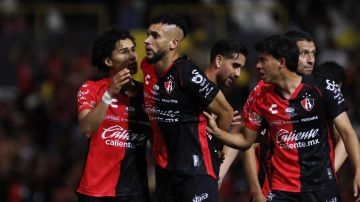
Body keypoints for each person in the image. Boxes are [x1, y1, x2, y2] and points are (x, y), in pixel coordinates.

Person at [205, 35, 360, 202]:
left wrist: (358, 170)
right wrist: (217, 135)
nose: (257, 66)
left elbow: (347, 133)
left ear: (281, 62)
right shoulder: (259, 94)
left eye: (263, 60)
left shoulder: (322, 87)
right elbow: (245, 140)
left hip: (321, 188)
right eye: (304, 53)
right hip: (280, 190)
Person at [141, 15, 233, 202]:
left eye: (155, 36)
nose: (147, 40)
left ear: (174, 43)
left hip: (195, 173)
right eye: (148, 34)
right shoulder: (146, 66)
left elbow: (226, 112)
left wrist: (215, 152)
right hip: (164, 170)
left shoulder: (187, 74)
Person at [76, 28, 151, 202]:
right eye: (124, 52)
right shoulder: (92, 88)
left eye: (133, 50)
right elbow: (86, 129)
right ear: (109, 61)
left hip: (135, 193)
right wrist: (109, 94)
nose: (133, 56)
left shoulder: (147, 94)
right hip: (96, 193)